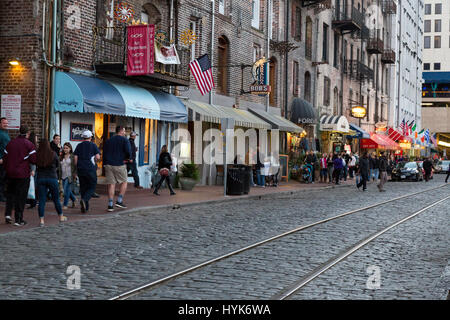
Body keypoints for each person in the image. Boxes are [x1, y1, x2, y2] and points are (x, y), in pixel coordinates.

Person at [3, 125, 36, 226]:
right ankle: (18, 219)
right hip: (22, 174)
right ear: (27, 133)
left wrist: (8, 168)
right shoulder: (29, 144)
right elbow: (34, 160)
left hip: (10, 173)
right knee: (21, 197)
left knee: (10, 194)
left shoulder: (11, 143)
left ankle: (8, 214)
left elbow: (5, 158)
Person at [36, 139, 67, 227]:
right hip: (52, 178)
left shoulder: (38, 154)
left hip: (41, 178)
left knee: (42, 200)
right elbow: (58, 165)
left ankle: (42, 220)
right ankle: (61, 216)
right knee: (56, 199)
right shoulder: (53, 154)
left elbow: (35, 164)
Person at [103, 126, 131, 212]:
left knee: (111, 184)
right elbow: (128, 152)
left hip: (108, 164)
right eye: (124, 131)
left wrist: (105, 163)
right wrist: (127, 158)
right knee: (124, 181)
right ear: (122, 131)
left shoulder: (108, 140)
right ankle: (119, 200)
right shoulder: (125, 140)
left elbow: (104, 152)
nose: (125, 132)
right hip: (119, 163)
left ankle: (110, 205)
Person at [73, 130, 100, 213]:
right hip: (90, 168)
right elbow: (98, 157)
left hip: (81, 169)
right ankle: (84, 200)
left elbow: (75, 159)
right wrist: (95, 160)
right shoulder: (93, 145)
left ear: (83, 137)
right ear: (90, 137)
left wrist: (76, 168)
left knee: (83, 187)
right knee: (92, 186)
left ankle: (85, 208)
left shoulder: (79, 146)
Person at [59, 142, 77, 209]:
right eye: (64, 148)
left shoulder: (72, 156)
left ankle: (65, 205)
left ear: (70, 149)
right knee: (67, 190)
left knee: (66, 190)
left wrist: (75, 174)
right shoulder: (61, 156)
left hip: (70, 176)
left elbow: (75, 166)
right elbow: (59, 167)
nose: (65, 149)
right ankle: (74, 199)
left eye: (67, 148)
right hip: (63, 175)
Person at [26, 132, 38, 209]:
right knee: (32, 186)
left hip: (31, 168)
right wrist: (33, 169)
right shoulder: (33, 146)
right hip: (32, 168)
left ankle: (32, 201)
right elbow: (33, 160)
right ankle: (32, 201)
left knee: (31, 186)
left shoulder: (30, 146)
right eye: (36, 137)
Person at [0, 117, 10, 202]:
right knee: (1, 178)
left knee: (4, 178)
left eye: (7, 123)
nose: (6, 124)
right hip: (1, 159)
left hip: (6, 160)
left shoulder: (6, 133)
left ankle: (2, 194)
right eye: (4, 123)